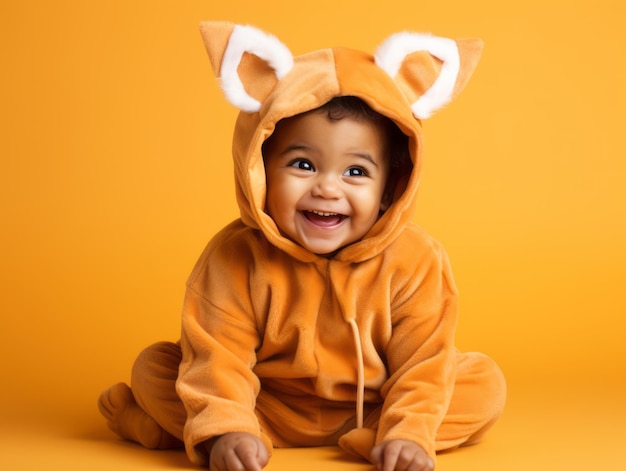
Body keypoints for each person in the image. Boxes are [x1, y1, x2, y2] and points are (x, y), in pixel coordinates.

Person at [98, 22, 506, 471]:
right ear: (260, 171)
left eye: (356, 172)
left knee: (482, 383)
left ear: (390, 188)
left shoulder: (417, 260)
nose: (327, 189)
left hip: (374, 407)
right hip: (263, 406)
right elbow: (219, 354)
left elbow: (423, 362)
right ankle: (225, 439)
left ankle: (385, 443)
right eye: (304, 164)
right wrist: (229, 426)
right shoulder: (234, 258)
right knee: (156, 367)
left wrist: (409, 431)